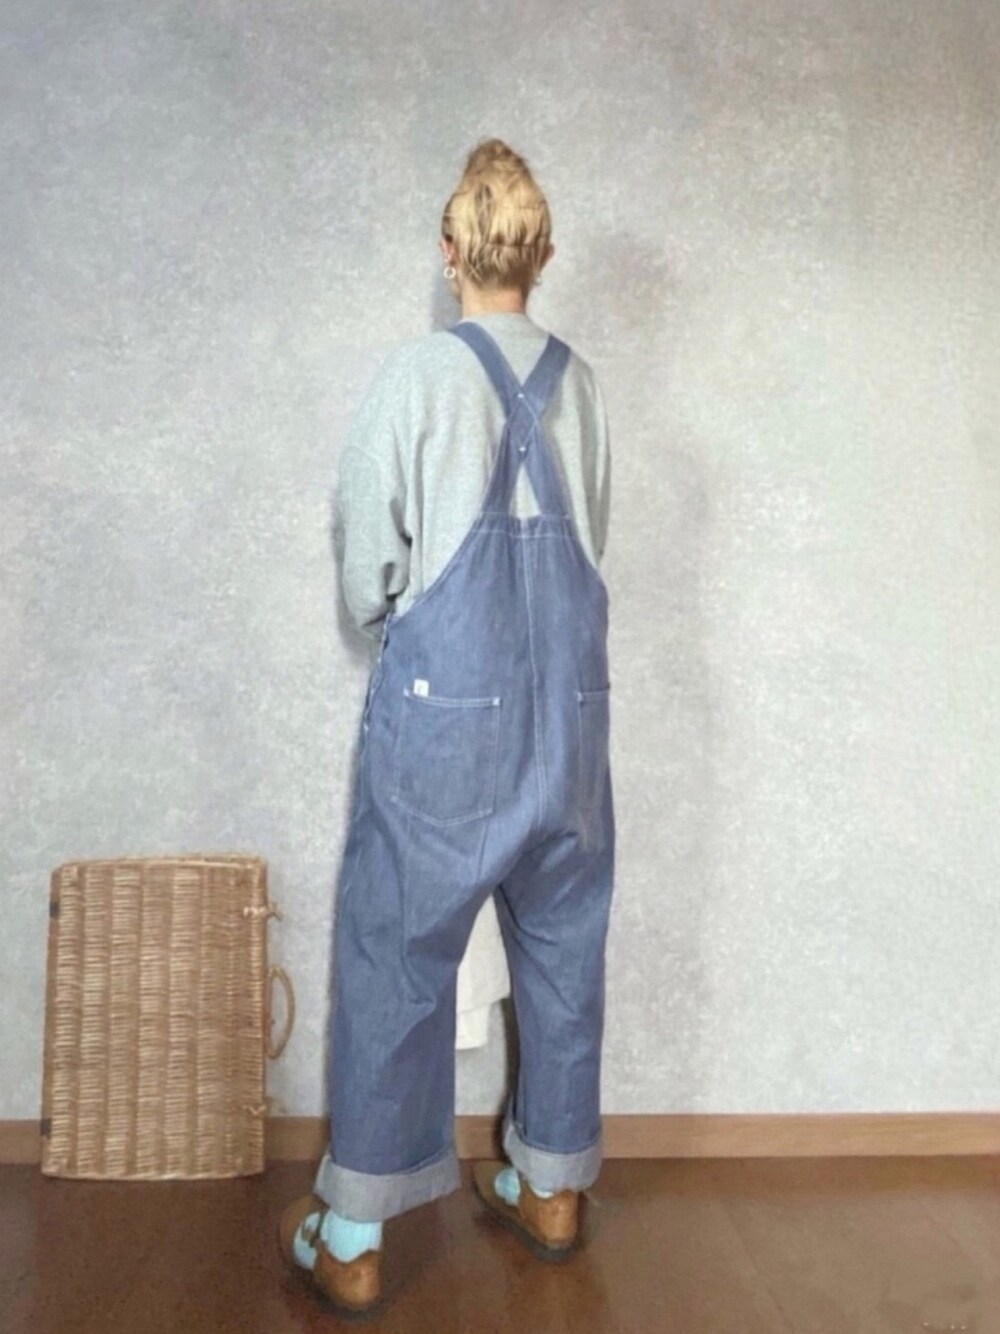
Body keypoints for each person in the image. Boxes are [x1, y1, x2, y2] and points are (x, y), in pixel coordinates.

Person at [278, 137, 615, 1320]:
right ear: (541, 254)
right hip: (570, 718)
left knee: (397, 950)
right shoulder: (583, 387)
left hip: (449, 724)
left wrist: (415, 636)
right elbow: (594, 547)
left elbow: (369, 569)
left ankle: (352, 1237)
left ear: (449, 251)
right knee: (563, 948)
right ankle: (551, 1186)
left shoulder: (415, 379)